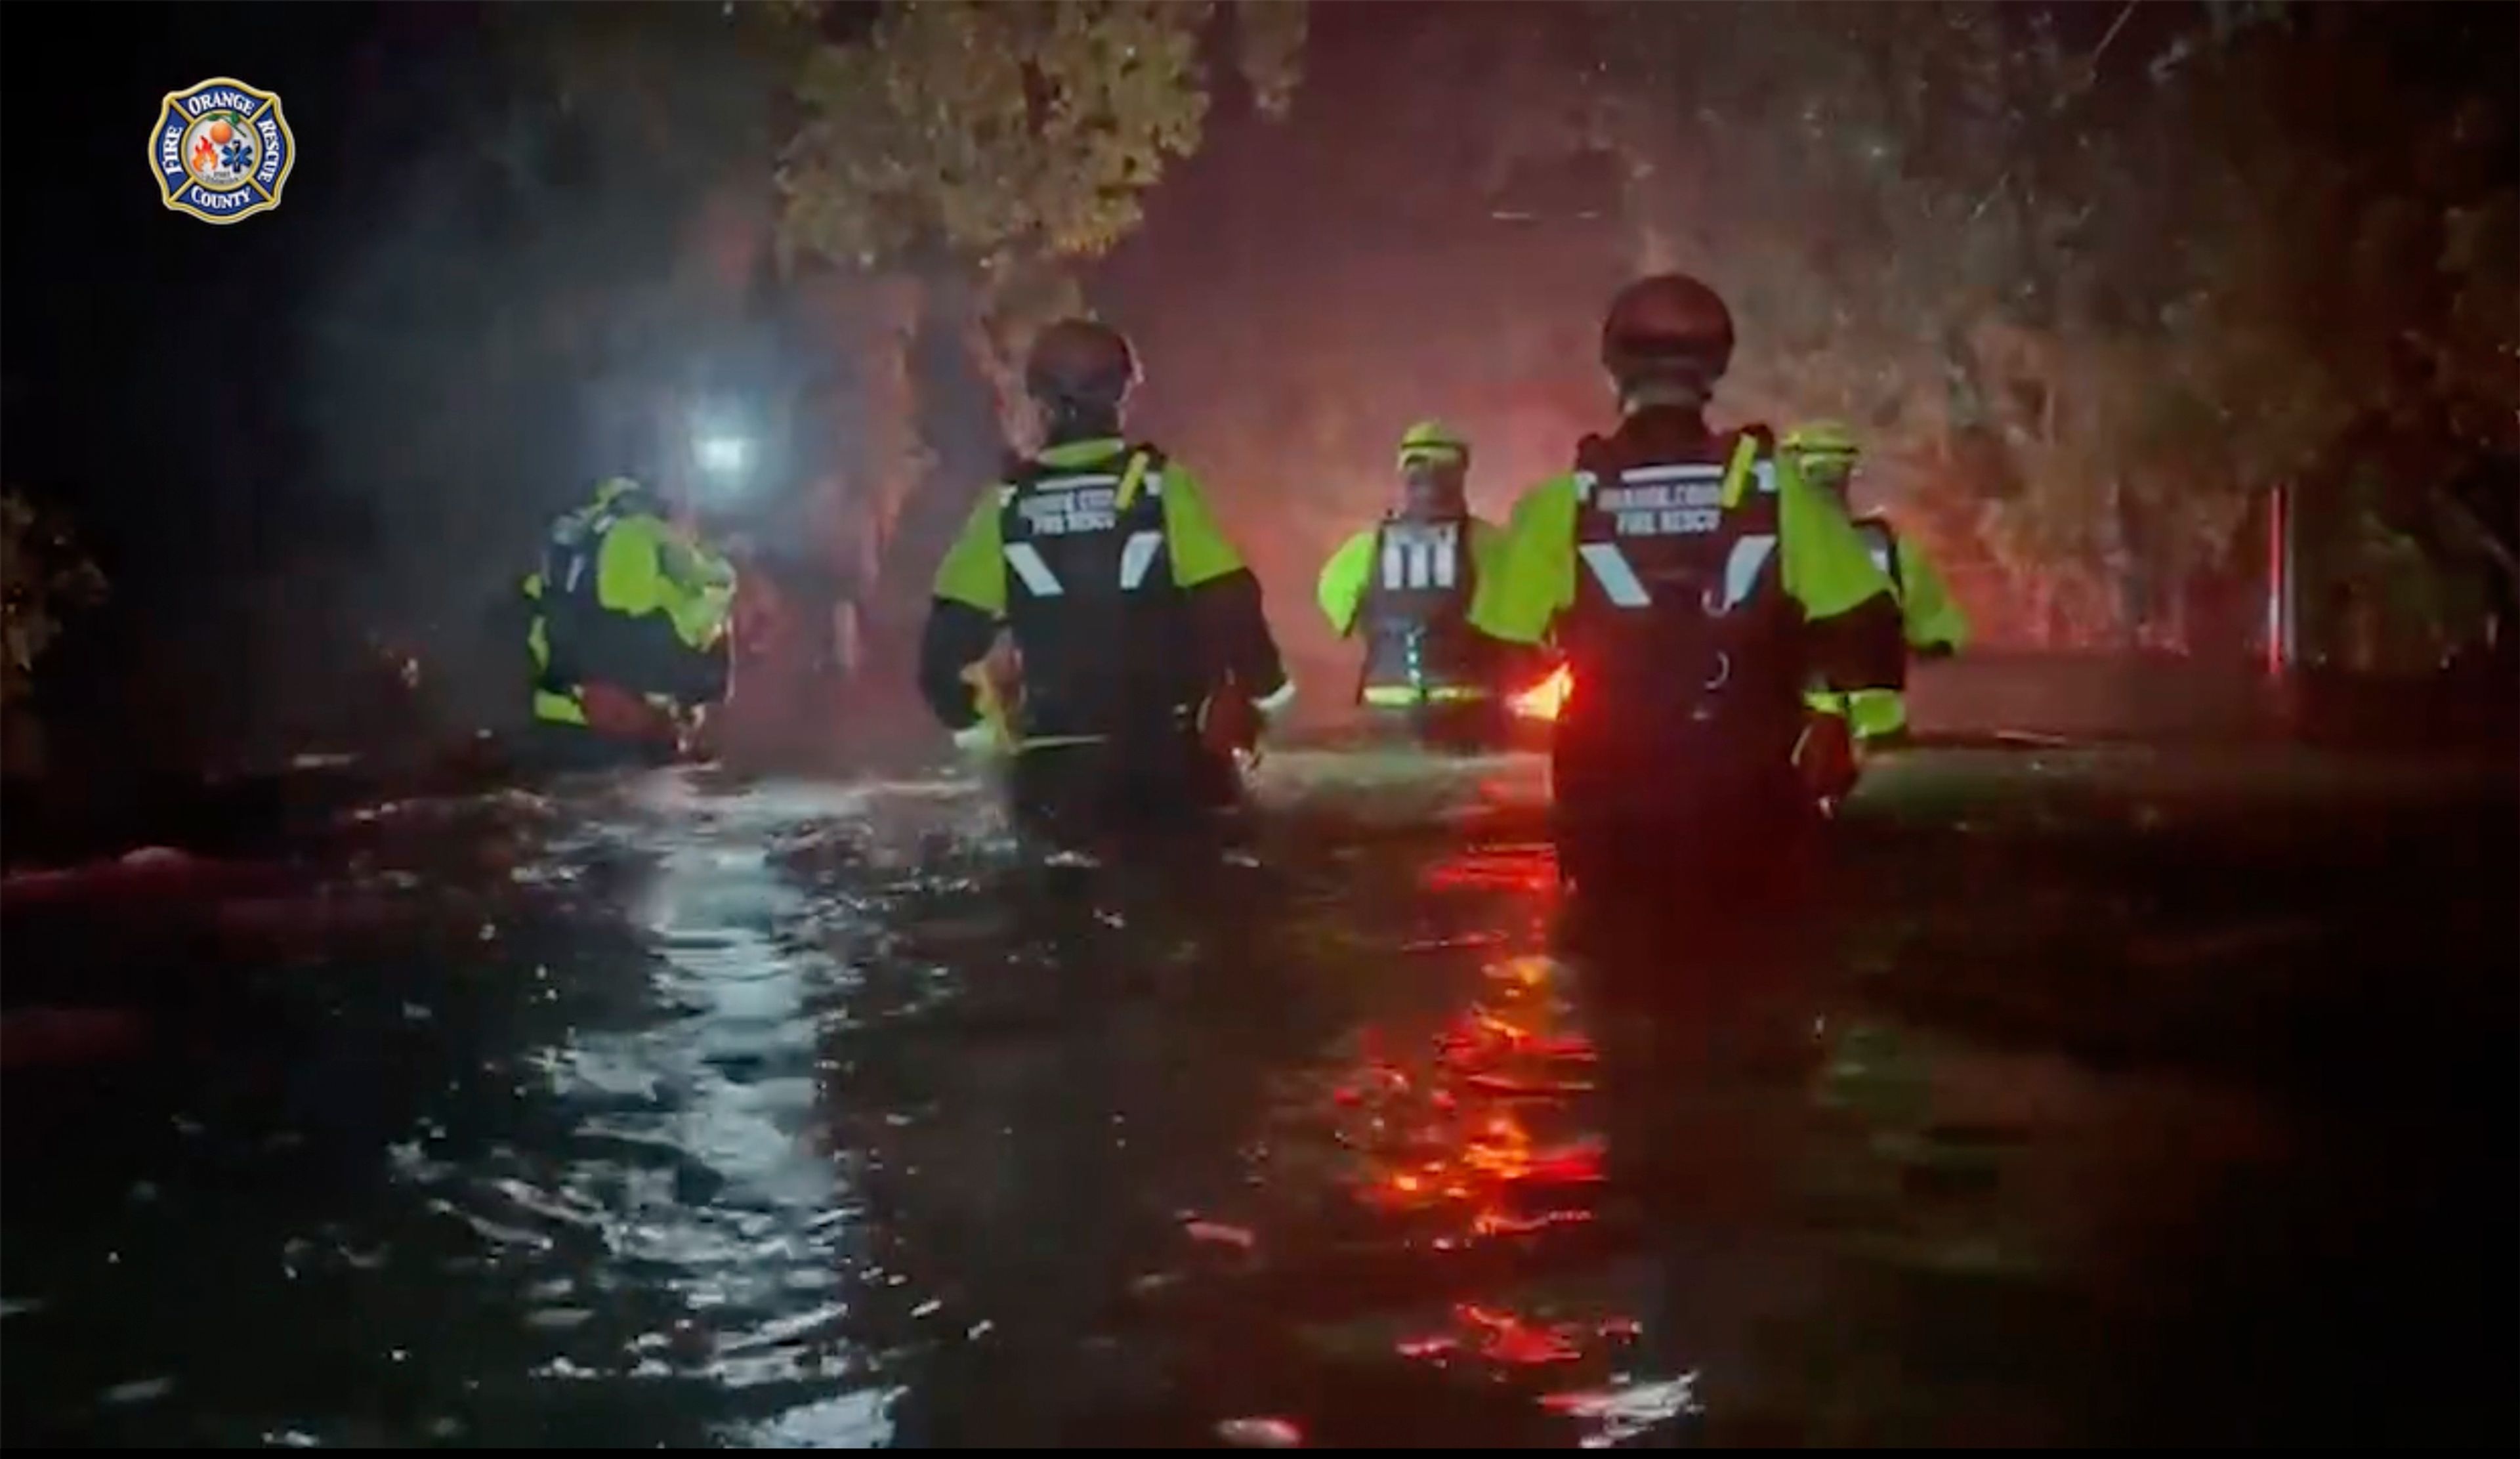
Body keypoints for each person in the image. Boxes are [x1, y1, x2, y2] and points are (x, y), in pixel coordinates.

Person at [1467, 274, 1906, 899]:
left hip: (1609, 798)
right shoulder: (1778, 494)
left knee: (1606, 970)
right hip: (1752, 791)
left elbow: (1497, 650)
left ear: (1615, 370)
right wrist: (1840, 726)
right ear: (1716, 368)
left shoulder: (1563, 504)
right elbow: (1868, 628)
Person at [919, 318, 1293, 847]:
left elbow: (941, 657)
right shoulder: (1163, 487)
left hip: (1054, 771)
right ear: (1123, 393)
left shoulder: (1005, 506)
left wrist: (983, 741)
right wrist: (1270, 691)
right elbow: (1231, 600)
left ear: (1039, 401)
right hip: (1169, 763)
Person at [1314, 419, 1515, 750]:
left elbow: (1337, 609)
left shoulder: (1364, 547)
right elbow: (1522, 620)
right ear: (1461, 473)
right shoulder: (1491, 545)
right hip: (1468, 718)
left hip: (1384, 713)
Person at [522, 475, 738, 773]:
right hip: (633, 719)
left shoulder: (566, 536)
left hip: (559, 712)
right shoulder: (651, 534)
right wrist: (726, 578)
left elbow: (538, 609)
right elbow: (705, 599)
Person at [1784, 420, 1969, 750]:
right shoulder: (1889, 547)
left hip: (1807, 733)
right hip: (1876, 732)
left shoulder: (1774, 551)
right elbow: (1937, 632)